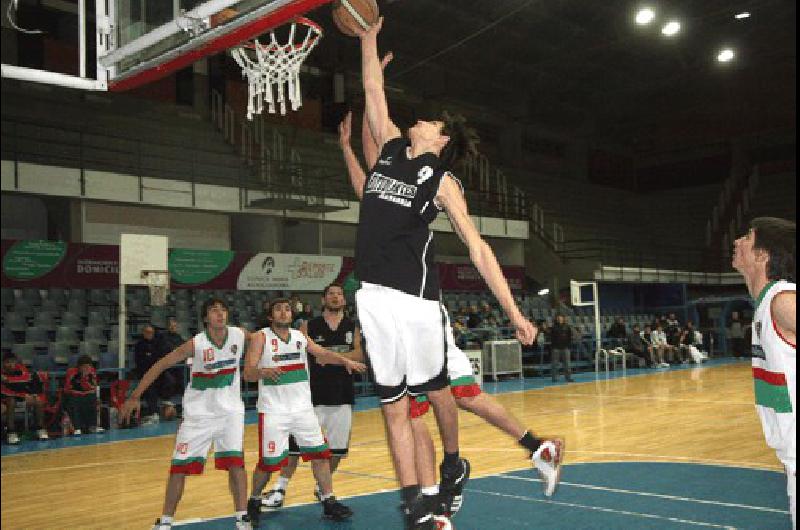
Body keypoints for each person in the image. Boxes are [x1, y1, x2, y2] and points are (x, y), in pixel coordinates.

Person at [342, 36, 557, 525]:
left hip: (414, 301)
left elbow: (478, 248)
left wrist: (514, 311)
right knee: (397, 409)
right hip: (372, 297)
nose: (420, 118)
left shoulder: (441, 181)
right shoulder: (391, 150)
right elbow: (373, 88)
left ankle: (454, 464)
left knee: (445, 393)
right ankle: (418, 507)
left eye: (432, 121)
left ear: (441, 140)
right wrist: (368, 37)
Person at [120, 298, 253, 530]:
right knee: (179, 467)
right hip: (198, 416)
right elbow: (160, 365)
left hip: (230, 413)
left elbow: (263, 340)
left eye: (223, 310)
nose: (220, 314)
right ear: (205, 318)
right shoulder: (196, 344)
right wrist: (135, 395)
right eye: (214, 310)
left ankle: (242, 516)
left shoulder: (239, 334)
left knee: (236, 464)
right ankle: (166, 521)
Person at [243, 298, 365, 527]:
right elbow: (247, 373)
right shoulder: (261, 337)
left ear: (291, 314)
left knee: (321, 455)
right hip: (274, 412)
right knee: (268, 463)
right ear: (270, 316)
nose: (283, 312)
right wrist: (262, 372)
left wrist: (344, 362)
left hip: (302, 410)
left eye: (287, 309)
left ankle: (328, 501)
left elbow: (322, 353)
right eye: (278, 309)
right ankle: (254, 500)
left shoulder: (300, 336)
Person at [732, 217, 796, 529]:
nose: (737, 241)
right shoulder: (766, 304)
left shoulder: (782, 301)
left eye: (747, 236)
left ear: (762, 254)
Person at [1, 352, 48, 443]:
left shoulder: (21, 369)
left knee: (38, 400)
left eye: (13, 362)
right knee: (11, 401)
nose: (11, 365)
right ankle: (11, 432)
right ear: (3, 363)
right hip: (5, 398)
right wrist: (16, 385)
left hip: (20, 396)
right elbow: (4, 391)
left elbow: (25, 380)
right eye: (8, 362)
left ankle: (40, 428)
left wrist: (8, 380)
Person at [134, 324, 175, 423]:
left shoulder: (157, 343)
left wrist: (153, 359)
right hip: (145, 373)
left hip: (158, 371)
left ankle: (166, 401)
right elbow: (141, 361)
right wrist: (153, 360)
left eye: (151, 332)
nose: (149, 334)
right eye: (147, 332)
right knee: (150, 386)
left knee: (170, 379)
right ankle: (153, 412)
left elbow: (162, 356)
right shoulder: (139, 345)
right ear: (143, 333)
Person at [63, 355, 103, 435]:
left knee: (94, 399)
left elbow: (93, 387)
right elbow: (67, 389)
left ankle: (93, 426)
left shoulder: (92, 372)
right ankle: (77, 428)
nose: (87, 368)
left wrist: (85, 378)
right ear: (79, 367)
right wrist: (82, 379)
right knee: (74, 401)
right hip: (72, 396)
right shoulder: (71, 372)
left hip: (85, 395)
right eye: (84, 367)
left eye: (88, 366)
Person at [549, 315, 574, 383]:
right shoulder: (553, 327)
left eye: (561, 318)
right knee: (555, 364)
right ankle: (554, 378)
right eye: (558, 318)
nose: (560, 319)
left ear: (563, 319)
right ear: (556, 319)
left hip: (565, 348)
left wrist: (568, 346)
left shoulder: (567, 327)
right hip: (556, 348)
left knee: (567, 364)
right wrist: (553, 347)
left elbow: (569, 337)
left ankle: (568, 377)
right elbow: (551, 337)